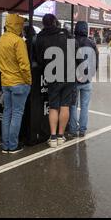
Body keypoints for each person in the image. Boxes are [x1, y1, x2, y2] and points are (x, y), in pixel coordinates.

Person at [35, 14, 76, 148]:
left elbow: (39, 58)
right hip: (69, 74)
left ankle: (52, 137)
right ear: (55, 22)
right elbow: (75, 52)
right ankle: (60, 136)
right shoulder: (66, 34)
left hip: (52, 74)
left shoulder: (41, 37)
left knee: (53, 106)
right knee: (65, 105)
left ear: (44, 23)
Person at [0, 14, 32, 154]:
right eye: (21, 25)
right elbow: (24, 65)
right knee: (17, 114)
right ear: (17, 25)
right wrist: (28, 81)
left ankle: (5, 145)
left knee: (7, 113)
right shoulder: (18, 41)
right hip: (18, 82)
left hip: (5, 82)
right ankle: (13, 146)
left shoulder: (2, 39)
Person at [68, 21, 99, 138]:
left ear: (76, 29)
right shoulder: (92, 43)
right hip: (87, 80)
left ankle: (72, 129)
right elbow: (96, 61)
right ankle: (82, 130)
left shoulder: (72, 42)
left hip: (74, 80)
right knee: (85, 106)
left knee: (73, 105)